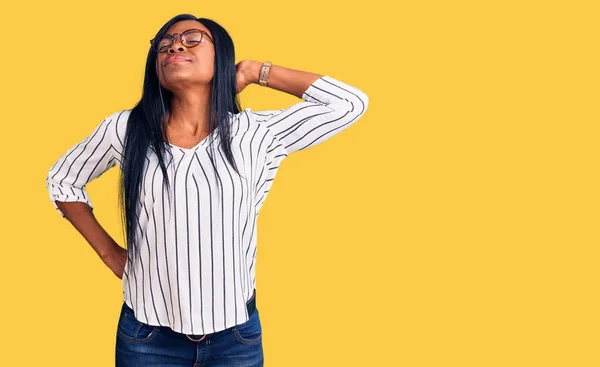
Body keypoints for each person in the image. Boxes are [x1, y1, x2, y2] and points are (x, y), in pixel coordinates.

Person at [45, 13, 368, 367]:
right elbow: (63, 179)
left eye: (192, 38)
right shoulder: (125, 129)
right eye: (164, 44)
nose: (175, 45)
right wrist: (110, 254)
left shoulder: (256, 134)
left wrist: (253, 71)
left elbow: (349, 103)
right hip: (146, 338)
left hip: (235, 338)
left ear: (222, 56)